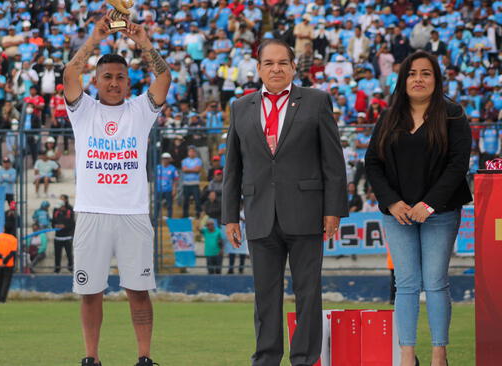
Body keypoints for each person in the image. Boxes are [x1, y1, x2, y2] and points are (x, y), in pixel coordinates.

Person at [222, 39, 347, 366]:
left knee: (308, 294)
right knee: (265, 297)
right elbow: (233, 166)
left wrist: (333, 210)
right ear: (259, 68)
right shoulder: (240, 106)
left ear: (293, 67)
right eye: (269, 63)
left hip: (307, 213)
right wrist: (230, 216)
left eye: (282, 63)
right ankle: (265, 359)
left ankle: (304, 359)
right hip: (260, 212)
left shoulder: (317, 101)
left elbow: (333, 161)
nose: (276, 68)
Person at [63, 13, 170, 366]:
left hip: (132, 214)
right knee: (90, 292)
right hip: (92, 213)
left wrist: (143, 42)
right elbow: (68, 75)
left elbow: (165, 77)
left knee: (138, 291)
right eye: (107, 77)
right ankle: (91, 358)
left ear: (128, 82)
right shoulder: (83, 110)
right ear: (96, 80)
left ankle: (144, 358)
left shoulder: (140, 110)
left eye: (120, 78)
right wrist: (94, 40)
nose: (113, 83)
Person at [365, 51, 472, 366]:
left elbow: (458, 165)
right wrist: (392, 201)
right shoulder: (390, 116)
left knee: (436, 282)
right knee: (406, 283)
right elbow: (372, 162)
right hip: (398, 214)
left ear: (436, 79)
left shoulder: (453, 115)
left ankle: (440, 354)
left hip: (441, 213)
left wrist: (429, 204)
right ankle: (407, 355)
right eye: (412, 73)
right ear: (403, 79)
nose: (419, 79)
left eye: (426, 73)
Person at [0, 223, 17, 303]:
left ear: (4, 229)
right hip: (8, 264)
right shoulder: (14, 239)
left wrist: (1, 257)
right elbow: (12, 253)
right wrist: (5, 261)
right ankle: (3, 299)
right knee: (6, 282)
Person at [52, 194, 76, 273]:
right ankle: (57, 269)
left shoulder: (69, 210)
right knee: (57, 255)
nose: (58, 208)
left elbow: (72, 224)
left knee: (69, 254)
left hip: (67, 237)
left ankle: (71, 268)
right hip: (58, 237)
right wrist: (55, 225)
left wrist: (64, 226)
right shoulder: (56, 211)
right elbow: (53, 222)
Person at [181, 145, 203, 218]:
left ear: (195, 152)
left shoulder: (198, 160)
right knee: (185, 201)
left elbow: (198, 170)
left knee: (197, 200)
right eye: (190, 151)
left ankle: (198, 215)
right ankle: (185, 216)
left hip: (195, 183)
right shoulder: (184, 160)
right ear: (188, 152)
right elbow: (184, 170)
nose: (192, 153)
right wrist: (193, 169)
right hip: (186, 184)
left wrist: (188, 169)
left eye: (193, 151)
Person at [155, 152, 178, 220]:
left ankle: (170, 218)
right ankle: (155, 219)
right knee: (157, 205)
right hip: (159, 189)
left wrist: (174, 189)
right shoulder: (158, 167)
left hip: (168, 189)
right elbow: (155, 178)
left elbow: (175, 180)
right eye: (164, 158)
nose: (165, 160)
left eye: (167, 159)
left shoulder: (173, 168)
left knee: (169, 205)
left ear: (169, 159)